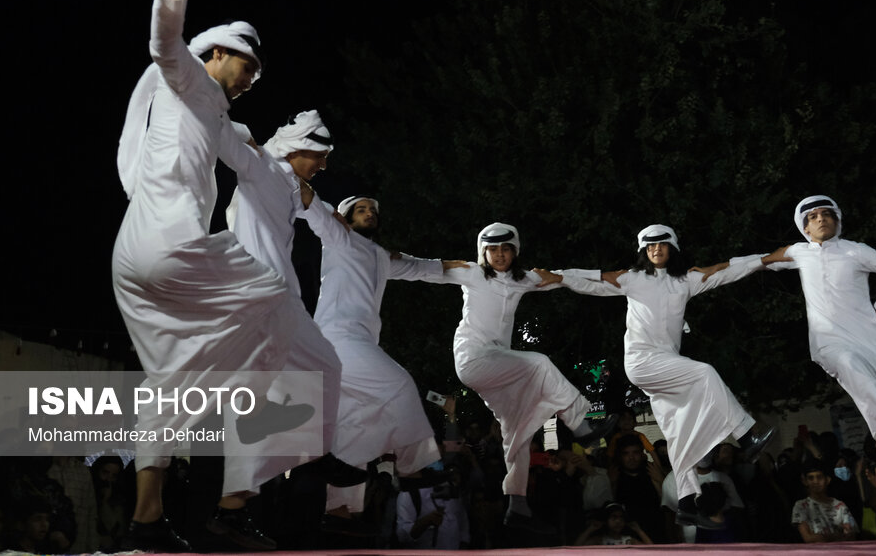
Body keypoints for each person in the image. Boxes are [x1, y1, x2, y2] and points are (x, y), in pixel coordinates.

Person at [112, 0, 310, 551]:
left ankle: (146, 518)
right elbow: (165, 42)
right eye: (246, 64)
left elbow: (242, 150)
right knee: (278, 302)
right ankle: (231, 476)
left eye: (257, 71)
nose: (253, 76)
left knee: (167, 383)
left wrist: (286, 168)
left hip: (131, 260)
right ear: (216, 53)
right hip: (174, 251)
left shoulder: (209, 111)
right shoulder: (189, 77)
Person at [540, 224, 779, 529]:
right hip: (643, 362)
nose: (655, 250)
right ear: (643, 251)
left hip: (669, 367)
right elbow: (594, 278)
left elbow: (724, 270)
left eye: (661, 245)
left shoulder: (685, 280)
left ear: (672, 248)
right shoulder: (634, 278)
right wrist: (557, 276)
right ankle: (746, 436)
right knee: (705, 372)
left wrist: (767, 259)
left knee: (678, 433)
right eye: (649, 247)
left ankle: (686, 502)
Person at [222, 110, 368, 548]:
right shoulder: (257, 163)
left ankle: (313, 454)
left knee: (325, 364)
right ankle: (230, 508)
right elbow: (221, 131)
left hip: (283, 296)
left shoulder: (292, 184)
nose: (323, 166)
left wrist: (335, 220)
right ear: (297, 147)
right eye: (318, 158)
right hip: (252, 293)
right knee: (254, 399)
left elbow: (319, 212)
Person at [763, 195, 876, 541]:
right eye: (813, 216)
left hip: (872, 342)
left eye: (828, 214)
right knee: (852, 369)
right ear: (804, 226)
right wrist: (713, 271)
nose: (822, 218)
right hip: (830, 343)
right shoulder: (799, 252)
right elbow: (760, 261)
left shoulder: (857, 250)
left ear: (838, 220)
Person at [429, 223, 617, 532]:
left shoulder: (522, 279)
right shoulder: (471, 273)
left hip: (499, 368)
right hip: (473, 359)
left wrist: (609, 278)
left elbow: (564, 276)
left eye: (506, 249)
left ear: (515, 251)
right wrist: (382, 259)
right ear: (483, 252)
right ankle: (583, 426)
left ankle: (516, 502)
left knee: (515, 430)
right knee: (539, 363)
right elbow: (427, 269)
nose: (499, 255)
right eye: (493, 249)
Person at [300, 193, 463, 523]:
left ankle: (340, 511)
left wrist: (465, 268)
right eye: (361, 210)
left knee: (356, 418)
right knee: (400, 384)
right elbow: (310, 203)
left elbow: (420, 268)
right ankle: (414, 467)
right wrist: (283, 165)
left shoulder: (381, 256)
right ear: (346, 219)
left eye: (373, 210)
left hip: (357, 343)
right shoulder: (338, 236)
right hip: (337, 338)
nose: (369, 214)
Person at [790, 459, 858, 543]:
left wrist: (823, 537)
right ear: (804, 481)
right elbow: (808, 538)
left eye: (819, 477)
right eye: (811, 478)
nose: (815, 482)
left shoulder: (840, 505)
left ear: (828, 480)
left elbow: (851, 536)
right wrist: (837, 536)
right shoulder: (801, 505)